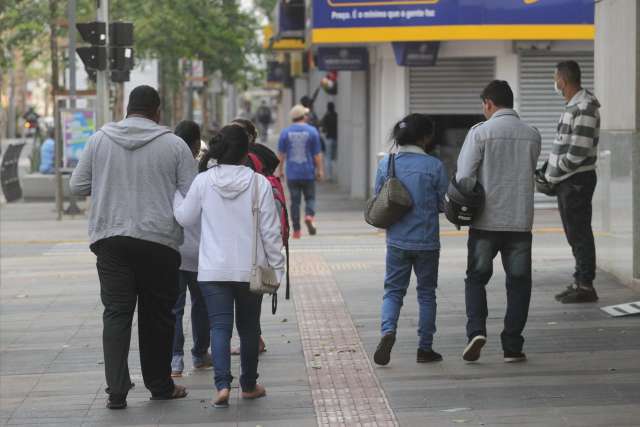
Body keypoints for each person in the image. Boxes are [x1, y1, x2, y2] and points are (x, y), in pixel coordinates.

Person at [69, 85, 193, 408]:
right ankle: (160, 385)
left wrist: (110, 183)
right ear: (157, 112)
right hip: (159, 243)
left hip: (111, 241)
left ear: (126, 109)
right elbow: (193, 195)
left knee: (116, 314)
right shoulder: (175, 145)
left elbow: (77, 184)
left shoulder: (99, 140)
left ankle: (117, 391)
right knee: (158, 317)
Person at [174, 125, 285, 407]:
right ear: (246, 152)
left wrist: (176, 195)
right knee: (249, 328)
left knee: (219, 328)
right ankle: (248, 386)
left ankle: (222, 386)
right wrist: (278, 268)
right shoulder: (259, 183)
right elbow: (271, 232)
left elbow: (185, 218)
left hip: (212, 269)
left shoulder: (204, 181)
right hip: (250, 269)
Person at [456, 80, 541, 363]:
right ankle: (513, 346)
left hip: (485, 222)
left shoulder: (480, 133)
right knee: (519, 283)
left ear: (489, 103)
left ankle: (476, 332)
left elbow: (465, 177)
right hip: (519, 222)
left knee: (476, 278)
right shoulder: (532, 134)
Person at [372, 114, 448, 367]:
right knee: (426, 294)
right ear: (425, 137)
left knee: (393, 291)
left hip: (397, 241)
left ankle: (387, 331)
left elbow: (379, 198)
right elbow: (442, 203)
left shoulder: (387, 163)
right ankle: (425, 348)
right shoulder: (434, 166)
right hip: (427, 241)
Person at [546, 61, 601, 304]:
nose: (555, 83)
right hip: (568, 180)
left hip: (576, 180)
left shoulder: (585, 107)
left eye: (555, 78)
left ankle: (586, 285)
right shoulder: (573, 105)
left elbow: (577, 153)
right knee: (573, 233)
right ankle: (580, 279)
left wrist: (553, 174)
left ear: (563, 81)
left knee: (579, 232)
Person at [170, 120, 212, 377]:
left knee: (175, 307)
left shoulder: (166, 167)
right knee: (202, 304)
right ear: (197, 143)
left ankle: (175, 360)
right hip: (200, 250)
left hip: (173, 249)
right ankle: (199, 354)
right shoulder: (205, 169)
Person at [277, 105, 324, 239]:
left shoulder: (285, 132)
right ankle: (309, 215)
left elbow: (281, 154)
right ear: (304, 116)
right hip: (308, 172)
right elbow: (317, 154)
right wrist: (320, 170)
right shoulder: (312, 131)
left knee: (295, 202)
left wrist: (280, 171)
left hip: (292, 173)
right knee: (310, 198)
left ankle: (296, 231)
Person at [321, 102, 338, 181]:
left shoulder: (326, 116)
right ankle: (336, 174)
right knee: (335, 158)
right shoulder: (336, 116)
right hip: (336, 138)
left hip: (328, 138)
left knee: (328, 157)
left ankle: (329, 176)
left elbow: (322, 127)